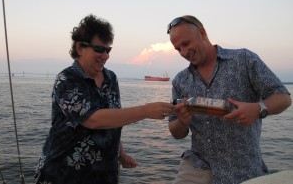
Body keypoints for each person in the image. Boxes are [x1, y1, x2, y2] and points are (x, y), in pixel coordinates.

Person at [34, 14, 174, 184]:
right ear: (79, 47)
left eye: (108, 50)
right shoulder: (67, 79)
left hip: (104, 175)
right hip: (64, 175)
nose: (105, 55)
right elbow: (92, 119)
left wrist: (121, 154)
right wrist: (145, 111)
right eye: (99, 49)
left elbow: (112, 119)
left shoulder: (111, 78)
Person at [166, 15, 291, 184]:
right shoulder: (181, 80)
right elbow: (176, 133)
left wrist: (258, 108)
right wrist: (181, 121)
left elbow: (283, 97)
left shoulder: (243, 60)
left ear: (202, 33)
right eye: (178, 49)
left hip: (242, 169)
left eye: (186, 44)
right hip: (197, 167)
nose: (183, 52)